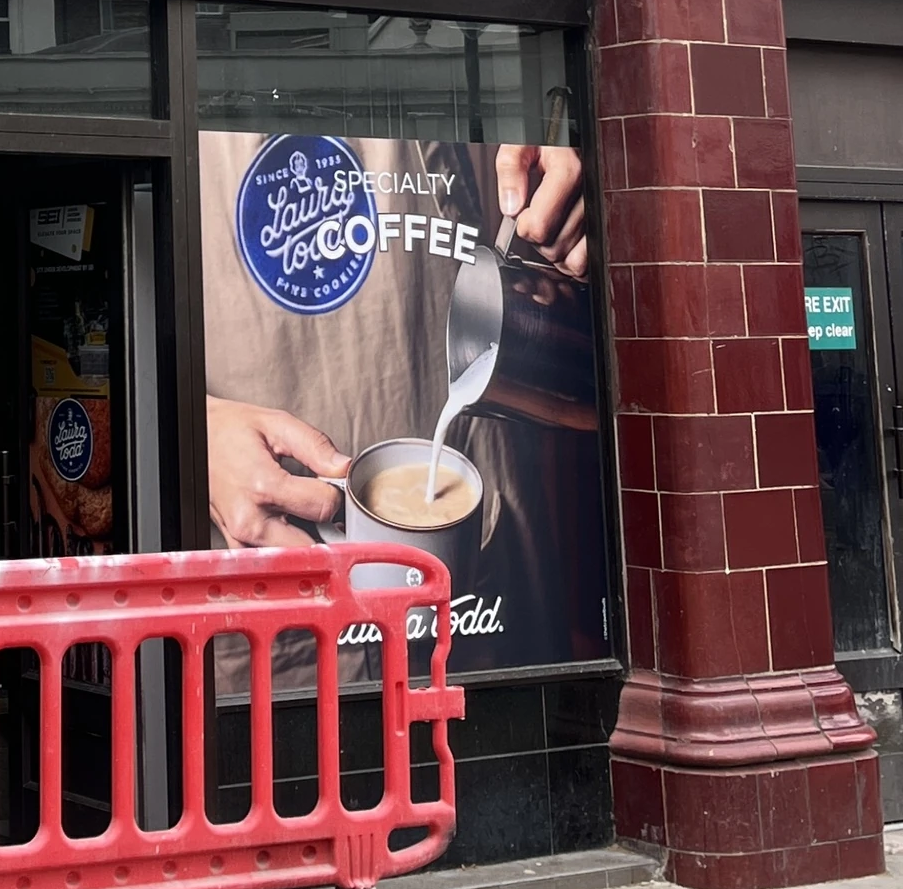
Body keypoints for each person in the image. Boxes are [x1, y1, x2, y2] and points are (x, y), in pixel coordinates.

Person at [202, 136, 605, 669]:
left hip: (478, 546)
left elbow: (534, 115)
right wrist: (197, 429)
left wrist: (558, 136)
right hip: (265, 596)